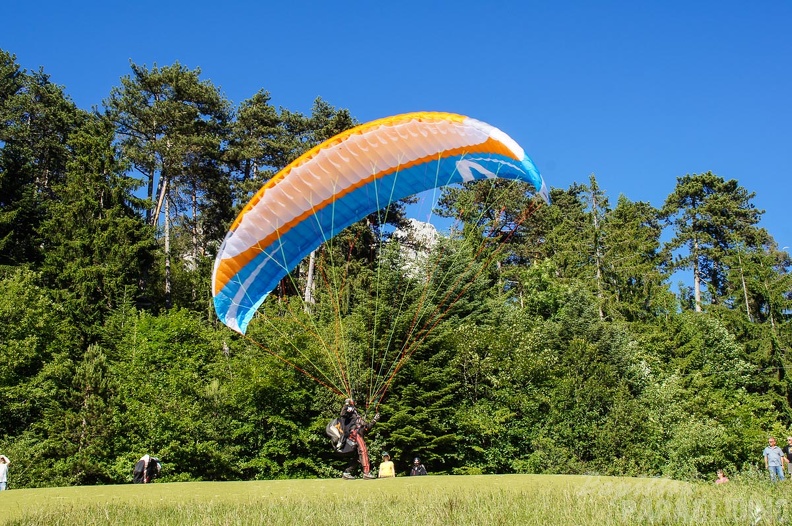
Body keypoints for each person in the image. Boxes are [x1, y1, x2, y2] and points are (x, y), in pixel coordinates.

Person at [338, 398, 379, 480]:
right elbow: (343, 414)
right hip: (355, 434)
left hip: (358, 434)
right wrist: (346, 404)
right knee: (363, 451)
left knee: (357, 457)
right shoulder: (351, 412)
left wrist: (374, 420)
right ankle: (366, 473)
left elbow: (367, 428)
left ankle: (347, 472)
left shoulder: (359, 417)